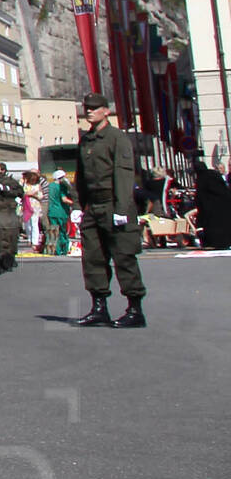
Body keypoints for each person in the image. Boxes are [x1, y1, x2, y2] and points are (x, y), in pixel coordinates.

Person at [73, 93, 146, 327]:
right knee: (93, 258)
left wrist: (122, 208)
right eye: (87, 107)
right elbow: (81, 178)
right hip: (93, 207)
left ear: (106, 111)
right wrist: (78, 206)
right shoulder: (86, 141)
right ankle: (99, 308)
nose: (89, 111)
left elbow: (123, 174)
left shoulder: (117, 138)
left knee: (124, 256)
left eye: (95, 108)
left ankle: (135, 310)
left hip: (114, 204)